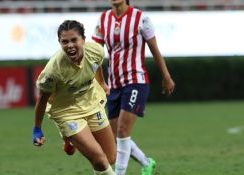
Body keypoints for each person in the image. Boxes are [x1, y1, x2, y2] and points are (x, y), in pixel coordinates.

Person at [92, 0, 175, 175]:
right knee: (116, 136)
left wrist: (166, 76)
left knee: (122, 129)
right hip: (114, 85)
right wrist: (100, 81)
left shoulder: (141, 18)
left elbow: (154, 49)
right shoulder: (103, 19)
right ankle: (146, 162)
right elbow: (95, 54)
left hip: (136, 81)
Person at [33, 20, 116, 175]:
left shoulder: (96, 51)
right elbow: (43, 99)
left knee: (109, 158)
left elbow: (96, 66)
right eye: (65, 42)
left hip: (91, 102)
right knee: (98, 159)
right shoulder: (53, 70)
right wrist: (37, 129)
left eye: (74, 40)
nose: (70, 45)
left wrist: (102, 83)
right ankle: (70, 136)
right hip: (66, 112)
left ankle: (71, 140)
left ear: (83, 40)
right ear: (59, 43)